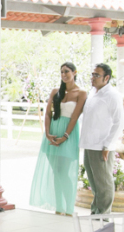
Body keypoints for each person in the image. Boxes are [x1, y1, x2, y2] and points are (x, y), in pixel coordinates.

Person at [30, 63, 86, 215]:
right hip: (52, 133)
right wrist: (47, 133)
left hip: (68, 134)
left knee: (63, 171)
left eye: (66, 71)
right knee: (57, 171)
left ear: (74, 72)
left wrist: (65, 136)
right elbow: (48, 113)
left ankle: (69, 208)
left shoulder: (81, 93)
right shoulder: (56, 91)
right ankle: (59, 207)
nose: (64, 75)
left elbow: (75, 117)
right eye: (61, 72)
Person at [79, 62, 124, 214]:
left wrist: (108, 146)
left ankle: (103, 216)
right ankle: (96, 213)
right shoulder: (93, 93)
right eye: (92, 74)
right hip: (90, 145)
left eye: (96, 75)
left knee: (104, 184)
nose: (93, 78)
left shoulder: (113, 95)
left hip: (102, 147)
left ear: (106, 78)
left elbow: (119, 122)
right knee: (95, 183)